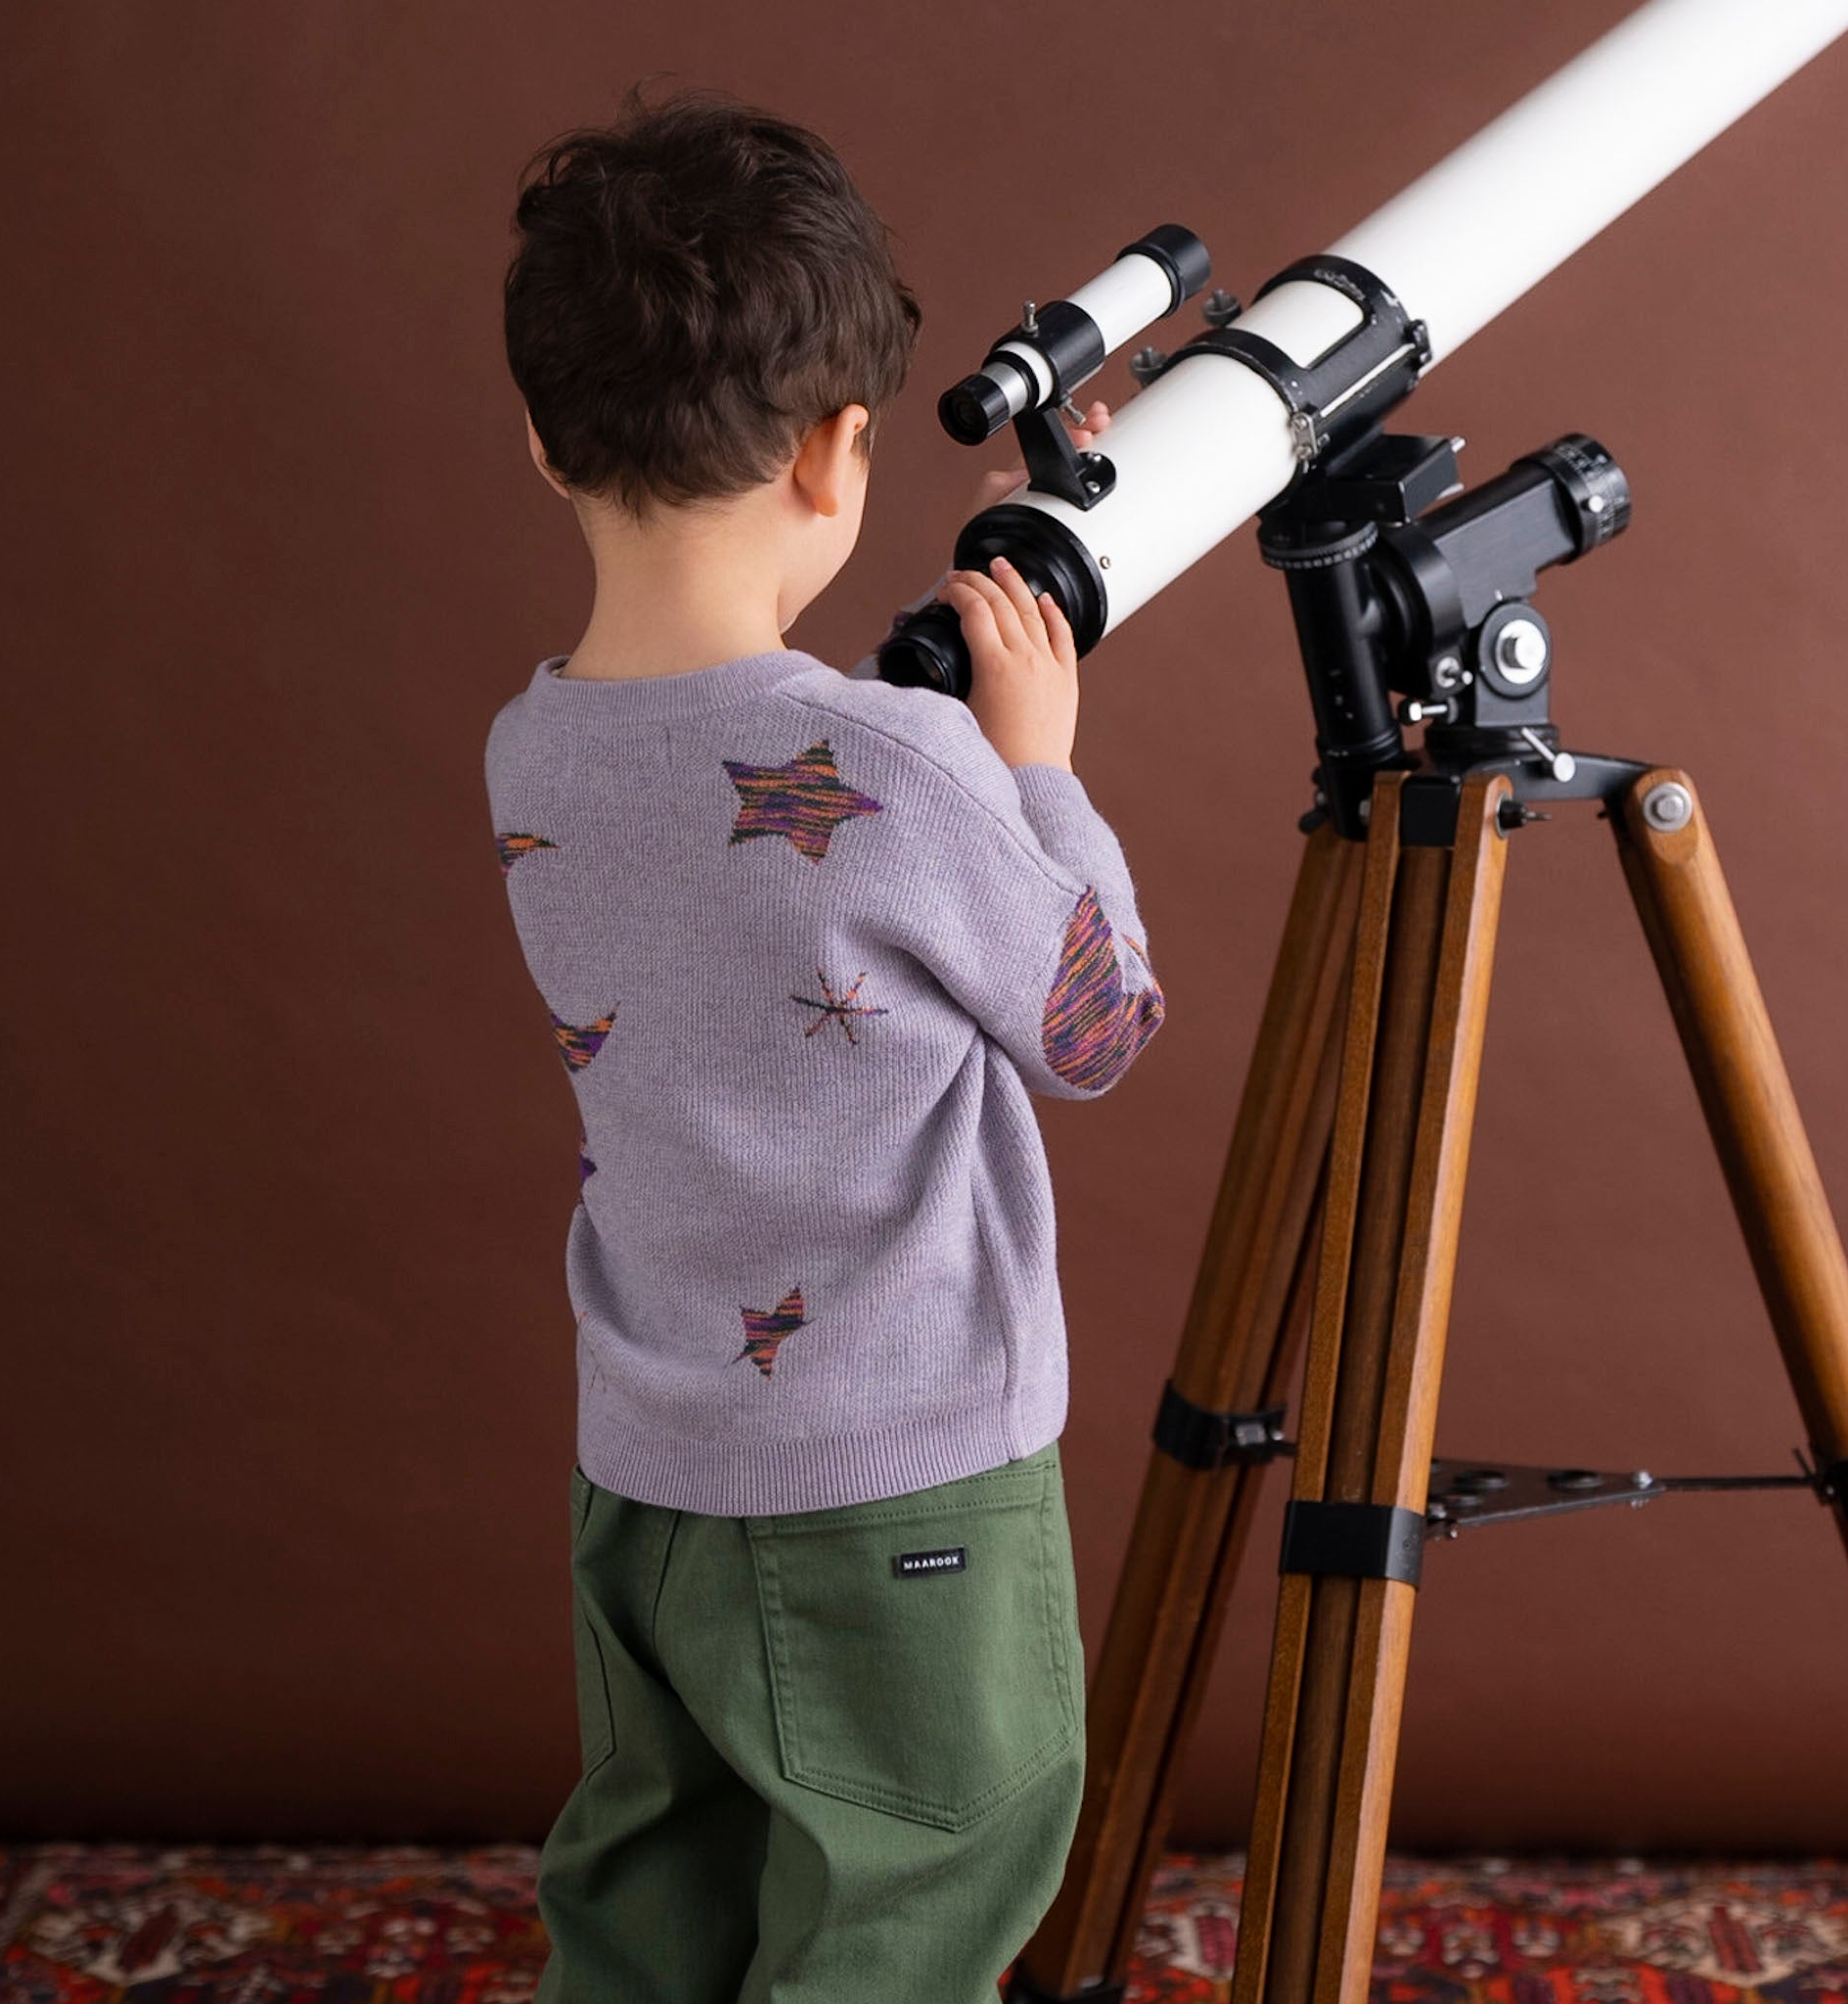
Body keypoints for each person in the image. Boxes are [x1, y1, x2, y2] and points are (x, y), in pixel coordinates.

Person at [483, 83, 1165, 2004]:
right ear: (837, 446)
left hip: (652, 1477)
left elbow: (781, 819)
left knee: (655, 1911)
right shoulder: (914, 765)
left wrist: (947, 737)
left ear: (543, 435)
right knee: (909, 1911)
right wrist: (1041, 771)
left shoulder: (533, 749)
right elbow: (1095, 1025)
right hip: (899, 1494)